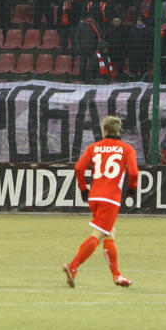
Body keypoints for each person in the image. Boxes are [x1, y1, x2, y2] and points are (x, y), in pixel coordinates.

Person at [63, 116, 138, 288]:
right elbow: (133, 173)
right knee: (98, 234)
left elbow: (78, 168)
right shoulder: (127, 149)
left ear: (105, 130)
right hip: (110, 198)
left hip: (95, 196)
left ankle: (117, 276)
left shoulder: (94, 147)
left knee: (109, 232)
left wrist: (83, 188)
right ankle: (72, 266)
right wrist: (132, 189)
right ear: (119, 131)